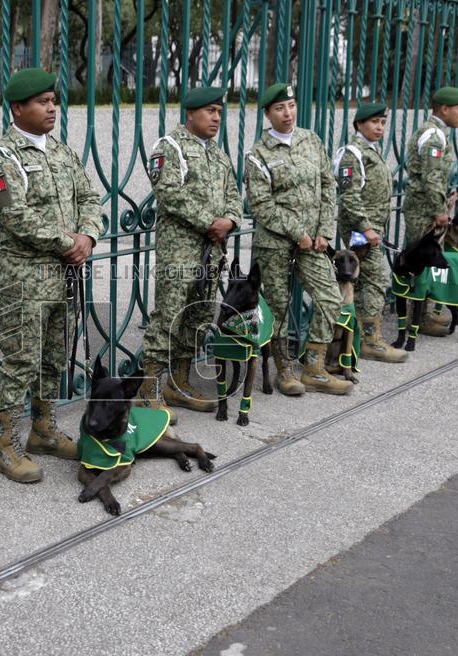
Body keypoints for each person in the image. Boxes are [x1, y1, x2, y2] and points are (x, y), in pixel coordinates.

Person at [0, 68, 104, 483]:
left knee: (54, 356)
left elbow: (89, 195)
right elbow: (14, 215)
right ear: (18, 108)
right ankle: (5, 446)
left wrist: (88, 234)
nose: (52, 108)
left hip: (64, 276)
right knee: (21, 361)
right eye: (42, 102)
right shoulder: (3, 157)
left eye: (53, 101)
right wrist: (68, 242)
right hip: (25, 276)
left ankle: (44, 430)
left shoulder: (63, 152)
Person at [137, 86, 243, 421]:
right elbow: (168, 192)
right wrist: (209, 221)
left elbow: (234, 195)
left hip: (211, 252)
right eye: (209, 111)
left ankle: (179, 384)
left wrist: (230, 221)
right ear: (191, 113)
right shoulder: (170, 147)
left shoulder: (218, 154)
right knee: (169, 318)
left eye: (219, 112)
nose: (215, 118)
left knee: (198, 318)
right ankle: (150, 389)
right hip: (179, 251)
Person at [245, 82, 352, 396]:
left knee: (331, 297)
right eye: (279, 108)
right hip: (276, 243)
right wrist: (299, 233)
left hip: (314, 242)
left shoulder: (310, 139)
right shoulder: (258, 153)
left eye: (291, 106)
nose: (287, 113)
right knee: (278, 308)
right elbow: (261, 206)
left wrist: (323, 231)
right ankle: (285, 372)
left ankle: (315, 367)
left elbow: (327, 186)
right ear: (268, 113)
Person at [334, 102, 408, 363]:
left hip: (372, 230)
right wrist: (366, 228)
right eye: (374, 122)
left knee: (367, 281)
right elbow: (349, 196)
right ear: (359, 125)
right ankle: (371, 341)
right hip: (361, 231)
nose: (379, 127)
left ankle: (364, 338)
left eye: (383, 122)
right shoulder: (353, 155)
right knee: (376, 280)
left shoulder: (371, 151)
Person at [402, 85, 458, 335]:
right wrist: (439, 210)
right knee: (421, 262)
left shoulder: (437, 133)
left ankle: (424, 313)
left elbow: (437, 176)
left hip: (426, 207)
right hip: (424, 211)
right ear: (444, 108)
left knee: (427, 262)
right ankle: (417, 318)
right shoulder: (433, 136)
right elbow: (431, 177)